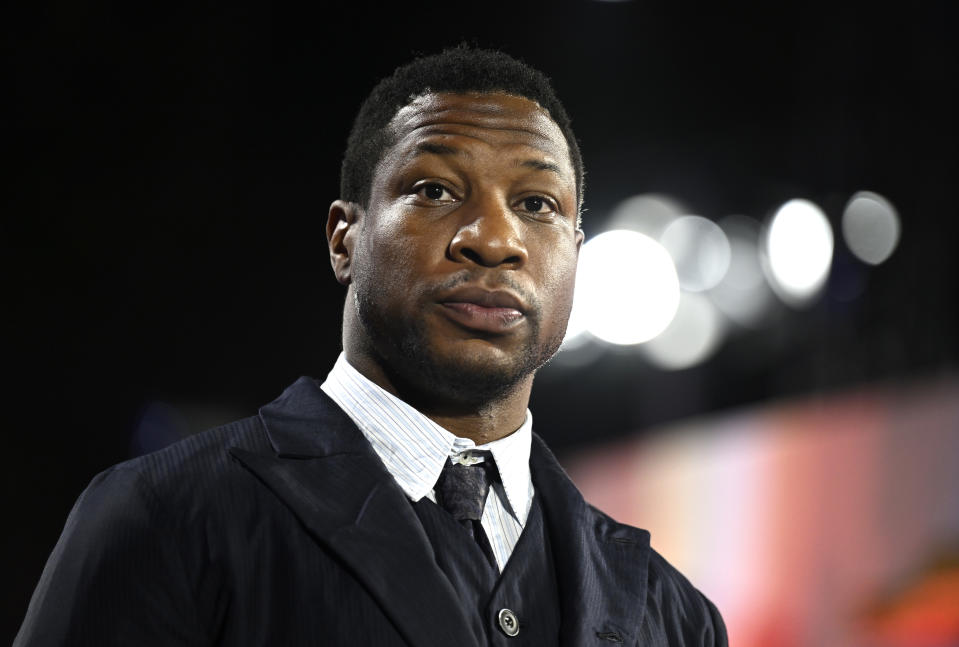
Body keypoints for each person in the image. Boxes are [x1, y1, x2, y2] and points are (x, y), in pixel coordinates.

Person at [16, 45, 727, 646]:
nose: (494, 238)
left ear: (574, 250)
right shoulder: (163, 516)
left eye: (536, 204)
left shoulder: (674, 615)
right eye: (435, 189)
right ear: (343, 238)